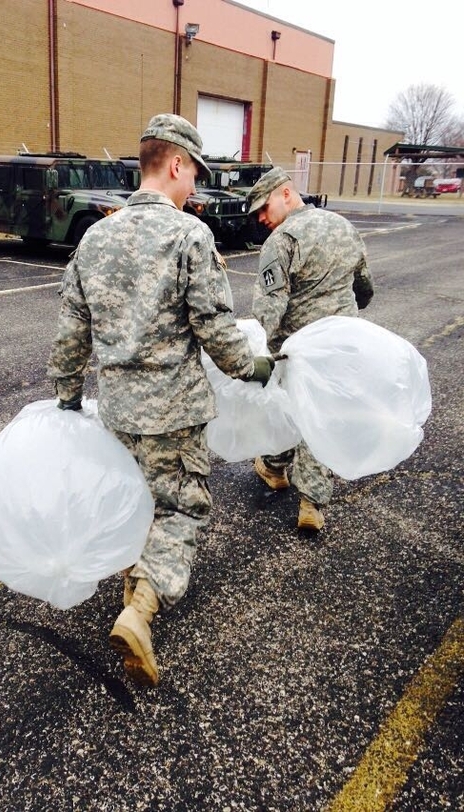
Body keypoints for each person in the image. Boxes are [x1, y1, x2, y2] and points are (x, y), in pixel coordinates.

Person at [46, 114, 275, 687]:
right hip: (174, 410)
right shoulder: (189, 236)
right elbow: (214, 325)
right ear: (175, 164)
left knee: (133, 498)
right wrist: (253, 368)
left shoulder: (95, 236)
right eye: (193, 172)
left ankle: (131, 581)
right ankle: (140, 608)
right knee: (179, 507)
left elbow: (72, 329)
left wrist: (68, 396)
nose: (194, 184)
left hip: (119, 408)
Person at [248, 166, 374, 531]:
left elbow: (268, 309)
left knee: (290, 408)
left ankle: (275, 468)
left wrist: (260, 351)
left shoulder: (282, 240)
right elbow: (364, 287)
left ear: (286, 194)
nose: (260, 217)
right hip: (340, 343)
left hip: (298, 349)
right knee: (324, 414)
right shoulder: (343, 226)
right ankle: (311, 502)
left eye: (263, 206)